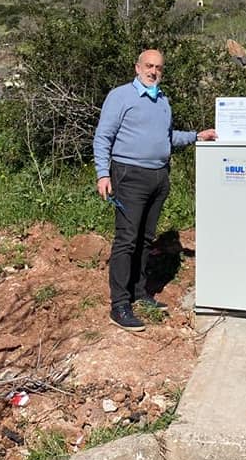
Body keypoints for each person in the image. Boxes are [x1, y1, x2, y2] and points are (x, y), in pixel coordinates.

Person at [93, 49, 217, 330]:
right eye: (149, 66)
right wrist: (103, 173)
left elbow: (166, 137)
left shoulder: (163, 100)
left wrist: (197, 137)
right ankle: (120, 305)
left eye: (158, 67)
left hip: (158, 177)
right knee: (126, 239)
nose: (153, 71)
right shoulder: (121, 96)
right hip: (129, 175)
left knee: (146, 238)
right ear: (137, 67)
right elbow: (103, 136)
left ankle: (139, 293)